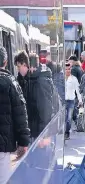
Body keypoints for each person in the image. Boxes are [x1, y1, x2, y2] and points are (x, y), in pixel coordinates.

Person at [0, 46, 30, 184]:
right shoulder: (10, 82)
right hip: (4, 146)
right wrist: (23, 142)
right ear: (5, 62)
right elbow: (20, 114)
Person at [14, 51, 54, 141]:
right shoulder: (29, 79)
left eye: (18, 66)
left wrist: (44, 135)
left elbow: (45, 109)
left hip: (39, 134)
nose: (18, 69)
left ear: (25, 65)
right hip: (33, 131)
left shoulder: (39, 81)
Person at [65, 63, 82, 140]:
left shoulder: (74, 79)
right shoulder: (61, 78)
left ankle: (67, 133)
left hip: (71, 101)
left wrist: (80, 100)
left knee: (68, 118)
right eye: (66, 69)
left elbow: (78, 90)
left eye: (69, 69)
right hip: (62, 101)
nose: (68, 71)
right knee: (62, 118)